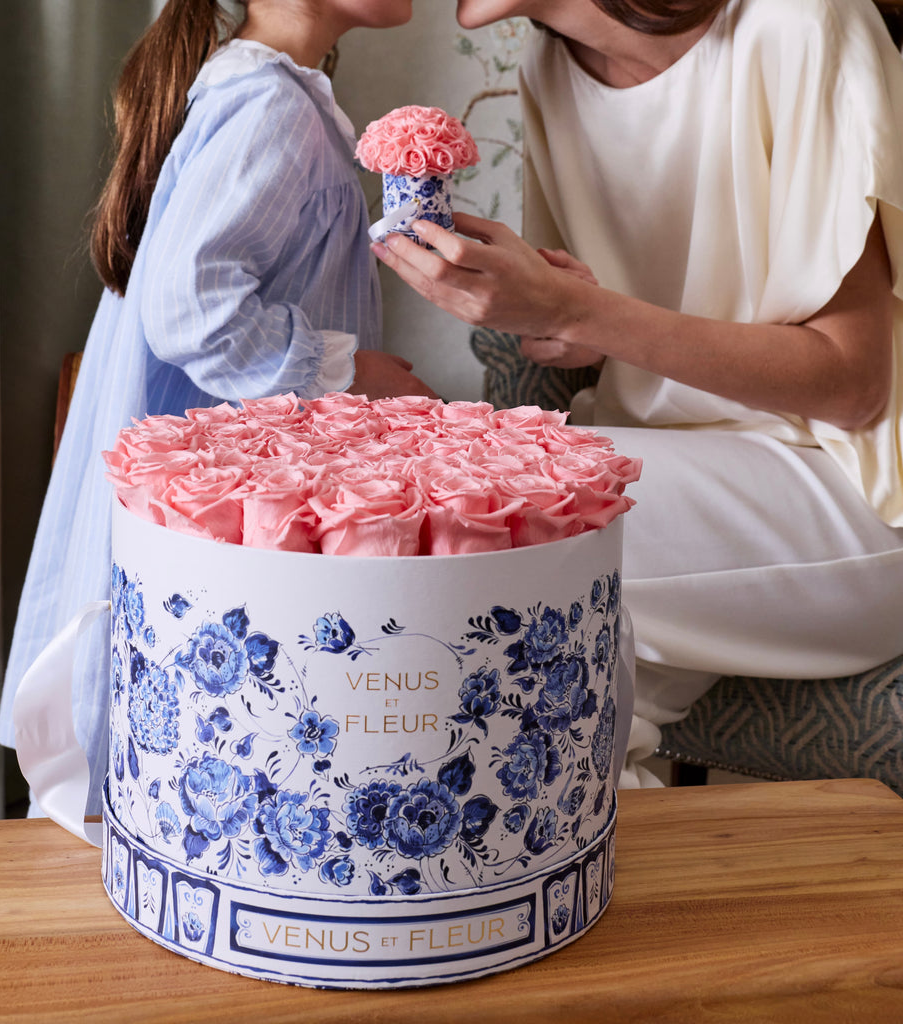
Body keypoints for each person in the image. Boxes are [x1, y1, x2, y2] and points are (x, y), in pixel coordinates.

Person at [374, 0, 903, 785]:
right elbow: (618, 325)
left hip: (855, 495)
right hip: (676, 497)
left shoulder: (798, 24)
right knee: (521, 757)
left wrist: (579, 312)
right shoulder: (549, 69)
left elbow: (853, 387)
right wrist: (565, 324)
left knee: (487, 513)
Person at [0, 0, 435, 816]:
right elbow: (190, 307)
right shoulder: (270, 109)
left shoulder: (272, 99)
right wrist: (348, 370)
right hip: (220, 529)